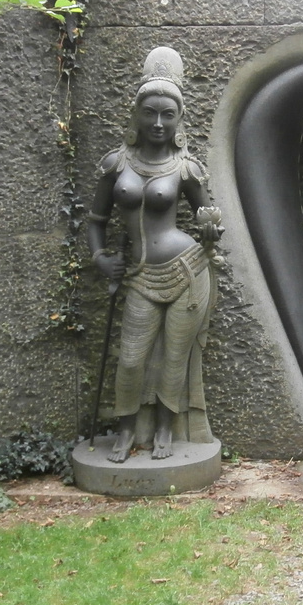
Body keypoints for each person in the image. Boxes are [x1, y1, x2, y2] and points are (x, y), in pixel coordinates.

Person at [87, 47, 222, 462]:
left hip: (186, 270)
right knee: (130, 359)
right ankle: (126, 430)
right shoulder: (116, 164)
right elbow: (95, 219)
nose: (159, 123)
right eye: (150, 113)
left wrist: (210, 232)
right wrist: (99, 257)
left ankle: (165, 429)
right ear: (136, 115)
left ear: (179, 119)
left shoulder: (187, 168)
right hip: (140, 275)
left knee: (174, 358)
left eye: (168, 115)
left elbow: (208, 220)